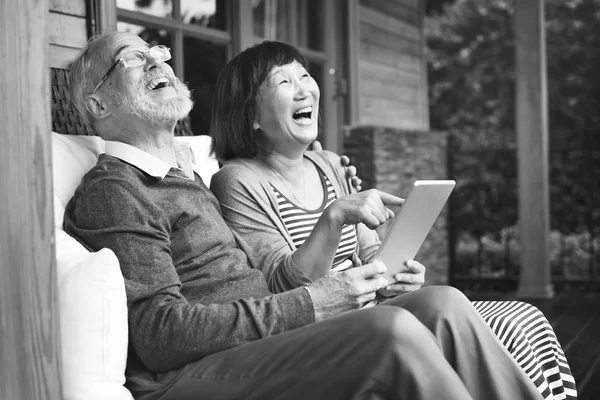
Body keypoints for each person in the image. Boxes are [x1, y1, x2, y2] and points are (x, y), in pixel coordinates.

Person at [63, 31, 544, 400]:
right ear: (98, 104)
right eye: (132, 58)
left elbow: (252, 284)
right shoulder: (115, 189)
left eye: (157, 52)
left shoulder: (185, 178)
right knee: (388, 330)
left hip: (256, 344)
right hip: (187, 375)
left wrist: (347, 287)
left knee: (444, 304)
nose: (155, 60)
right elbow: (160, 336)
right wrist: (314, 303)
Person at [209, 41, 577, 400]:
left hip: (371, 307)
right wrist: (334, 216)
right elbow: (281, 287)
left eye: (305, 75)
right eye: (284, 82)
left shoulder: (329, 164)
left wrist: (393, 278)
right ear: (251, 115)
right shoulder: (238, 179)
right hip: (317, 328)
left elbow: (370, 258)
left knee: (469, 304)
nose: (304, 88)